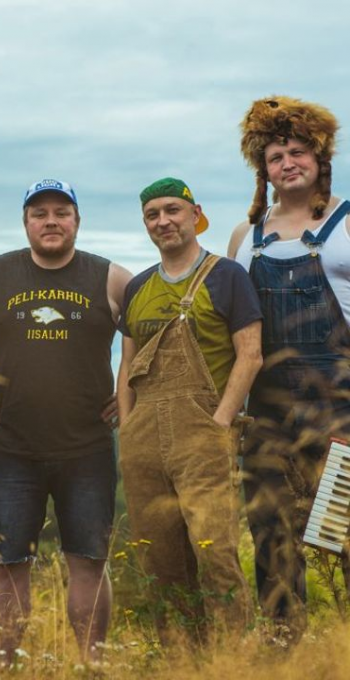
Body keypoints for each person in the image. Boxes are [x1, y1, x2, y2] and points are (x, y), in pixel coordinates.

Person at [0, 178, 131, 662]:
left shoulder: (110, 278)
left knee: (89, 563)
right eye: (39, 213)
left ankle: (93, 664)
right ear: (25, 222)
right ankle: (4, 665)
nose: (51, 221)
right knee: (8, 565)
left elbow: (148, 333)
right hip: (12, 450)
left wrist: (128, 390)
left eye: (61, 212)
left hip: (87, 449)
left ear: (77, 221)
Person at [117, 177, 261, 644]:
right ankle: (179, 661)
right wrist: (128, 424)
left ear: (194, 213)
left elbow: (251, 354)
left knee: (215, 553)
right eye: (153, 215)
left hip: (204, 431)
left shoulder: (226, 276)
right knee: (159, 559)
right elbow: (126, 366)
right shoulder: (138, 287)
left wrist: (219, 423)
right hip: (143, 437)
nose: (163, 221)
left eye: (172, 210)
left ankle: (229, 662)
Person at [228, 96, 350, 642]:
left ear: (321, 158)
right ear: (265, 170)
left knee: (340, 530)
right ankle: (285, 647)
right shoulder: (245, 238)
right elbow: (231, 331)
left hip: (340, 404)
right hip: (268, 409)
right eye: (276, 157)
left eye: (298, 151)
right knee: (270, 531)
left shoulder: (347, 221)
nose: (288, 163)